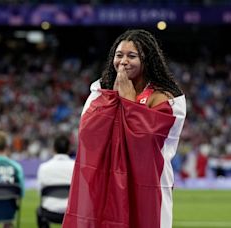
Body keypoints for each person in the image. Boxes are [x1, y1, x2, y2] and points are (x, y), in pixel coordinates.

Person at [63, 29, 186, 228]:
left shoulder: (168, 97)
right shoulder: (100, 90)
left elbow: (148, 141)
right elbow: (88, 132)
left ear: (147, 60)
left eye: (132, 56)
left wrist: (129, 101)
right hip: (106, 179)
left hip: (147, 182)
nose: (123, 61)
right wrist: (113, 100)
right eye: (119, 55)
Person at [36, 134, 74, 228]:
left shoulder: (44, 168)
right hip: (71, 212)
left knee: (39, 211)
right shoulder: (76, 167)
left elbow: (40, 192)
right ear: (69, 149)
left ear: (54, 149)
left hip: (49, 211)